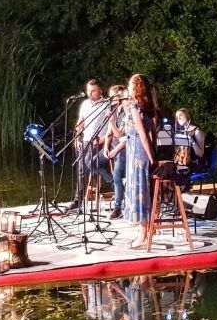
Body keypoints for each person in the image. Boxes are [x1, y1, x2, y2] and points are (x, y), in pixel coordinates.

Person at [67, 79, 114, 212]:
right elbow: (81, 122)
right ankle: (78, 200)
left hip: (100, 141)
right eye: (88, 90)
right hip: (86, 140)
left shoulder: (106, 104)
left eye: (93, 91)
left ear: (100, 91)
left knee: (87, 164)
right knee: (81, 168)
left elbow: (111, 125)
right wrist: (77, 137)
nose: (90, 93)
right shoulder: (85, 104)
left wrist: (103, 140)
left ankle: (111, 184)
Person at [124, 74, 156, 249]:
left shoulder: (135, 108)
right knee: (140, 190)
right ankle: (145, 231)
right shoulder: (140, 107)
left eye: (130, 86)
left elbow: (143, 135)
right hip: (134, 151)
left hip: (138, 153)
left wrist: (151, 158)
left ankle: (143, 235)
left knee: (140, 192)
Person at [103, 85, 128, 219]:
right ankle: (115, 183)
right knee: (93, 162)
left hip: (123, 148)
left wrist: (111, 121)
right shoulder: (113, 110)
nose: (111, 100)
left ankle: (118, 207)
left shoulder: (126, 112)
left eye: (113, 97)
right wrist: (106, 147)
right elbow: (109, 133)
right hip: (112, 147)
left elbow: (120, 135)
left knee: (117, 173)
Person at [174, 108, 207, 173]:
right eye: (177, 117)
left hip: (195, 163)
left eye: (181, 115)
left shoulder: (197, 132)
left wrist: (192, 141)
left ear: (188, 116)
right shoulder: (181, 132)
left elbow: (200, 154)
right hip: (183, 162)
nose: (178, 118)